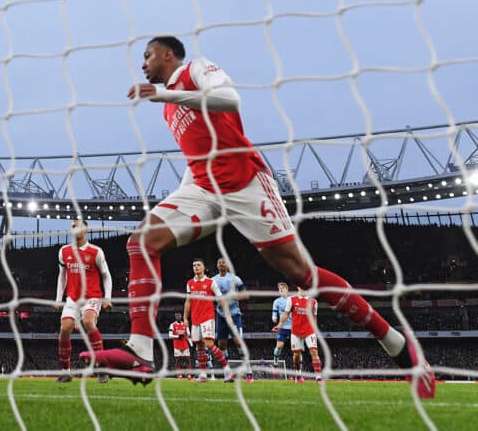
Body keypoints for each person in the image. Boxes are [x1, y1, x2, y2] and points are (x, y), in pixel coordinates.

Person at [82, 36, 434, 398]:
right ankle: (139, 348)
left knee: (302, 274)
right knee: (141, 242)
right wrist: (181, 196)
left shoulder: (196, 70)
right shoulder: (169, 109)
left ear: (167, 55)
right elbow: (199, 153)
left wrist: (166, 95)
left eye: (147, 56)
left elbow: (229, 100)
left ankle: (395, 343)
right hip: (203, 188)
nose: (143, 64)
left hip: (245, 183)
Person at [55, 219, 112, 383]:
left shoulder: (96, 251)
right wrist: (59, 299)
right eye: (72, 226)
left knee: (88, 321)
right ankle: (66, 371)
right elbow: (62, 276)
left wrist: (107, 298)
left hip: (92, 296)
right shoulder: (64, 251)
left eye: (78, 226)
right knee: (65, 328)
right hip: (72, 299)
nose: (74, 229)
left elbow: (106, 276)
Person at [184, 258, 232, 382]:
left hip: (207, 318)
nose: (196, 267)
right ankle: (203, 375)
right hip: (195, 319)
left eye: (198, 265)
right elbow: (188, 301)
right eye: (194, 265)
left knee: (209, 344)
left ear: (203, 267)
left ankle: (227, 371)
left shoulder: (211, 282)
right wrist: (185, 318)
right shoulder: (190, 283)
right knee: (199, 347)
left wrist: (226, 312)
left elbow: (220, 298)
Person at [213, 257, 252, 382]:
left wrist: (233, 296)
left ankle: (249, 371)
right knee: (221, 345)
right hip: (220, 315)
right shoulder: (213, 280)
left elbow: (246, 295)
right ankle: (228, 372)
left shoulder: (235, 279)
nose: (221, 264)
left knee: (238, 342)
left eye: (223, 262)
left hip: (234, 315)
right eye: (219, 262)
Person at [274, 286, 322, 382]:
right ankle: (298, 374)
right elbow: (286, 314)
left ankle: (318, 377)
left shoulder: (313, 302)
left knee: (314, 352)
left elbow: (314, 317)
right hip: (296, 332)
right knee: (296, 355)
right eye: (301, 286)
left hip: (309, 331)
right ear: (298, 288)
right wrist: (280, 324)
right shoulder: (292, 299)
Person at [272, 282, 293, 366]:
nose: (281, 290)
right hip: (283, 327)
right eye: (279, 289)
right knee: (279, 346)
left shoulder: (292, 299)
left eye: (282, 288)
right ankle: (275, 360)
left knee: (297, 349)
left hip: (293, 327)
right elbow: (274, 314)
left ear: (287, 290)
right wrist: (274, 318)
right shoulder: (276, 301)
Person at [167, 311, 193, 379]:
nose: (178, 317)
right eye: (176, 316)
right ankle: (179, 374)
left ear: (181, 316)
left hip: (185, 345)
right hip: (177, 345)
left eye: (179, 315)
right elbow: (170, 335)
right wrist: (177, 336)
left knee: (187, 359)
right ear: (175, 317)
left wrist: (191, 344)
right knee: (178, 360)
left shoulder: (185, 324)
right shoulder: (172, 325)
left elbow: (188, 335)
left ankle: (189, 374)